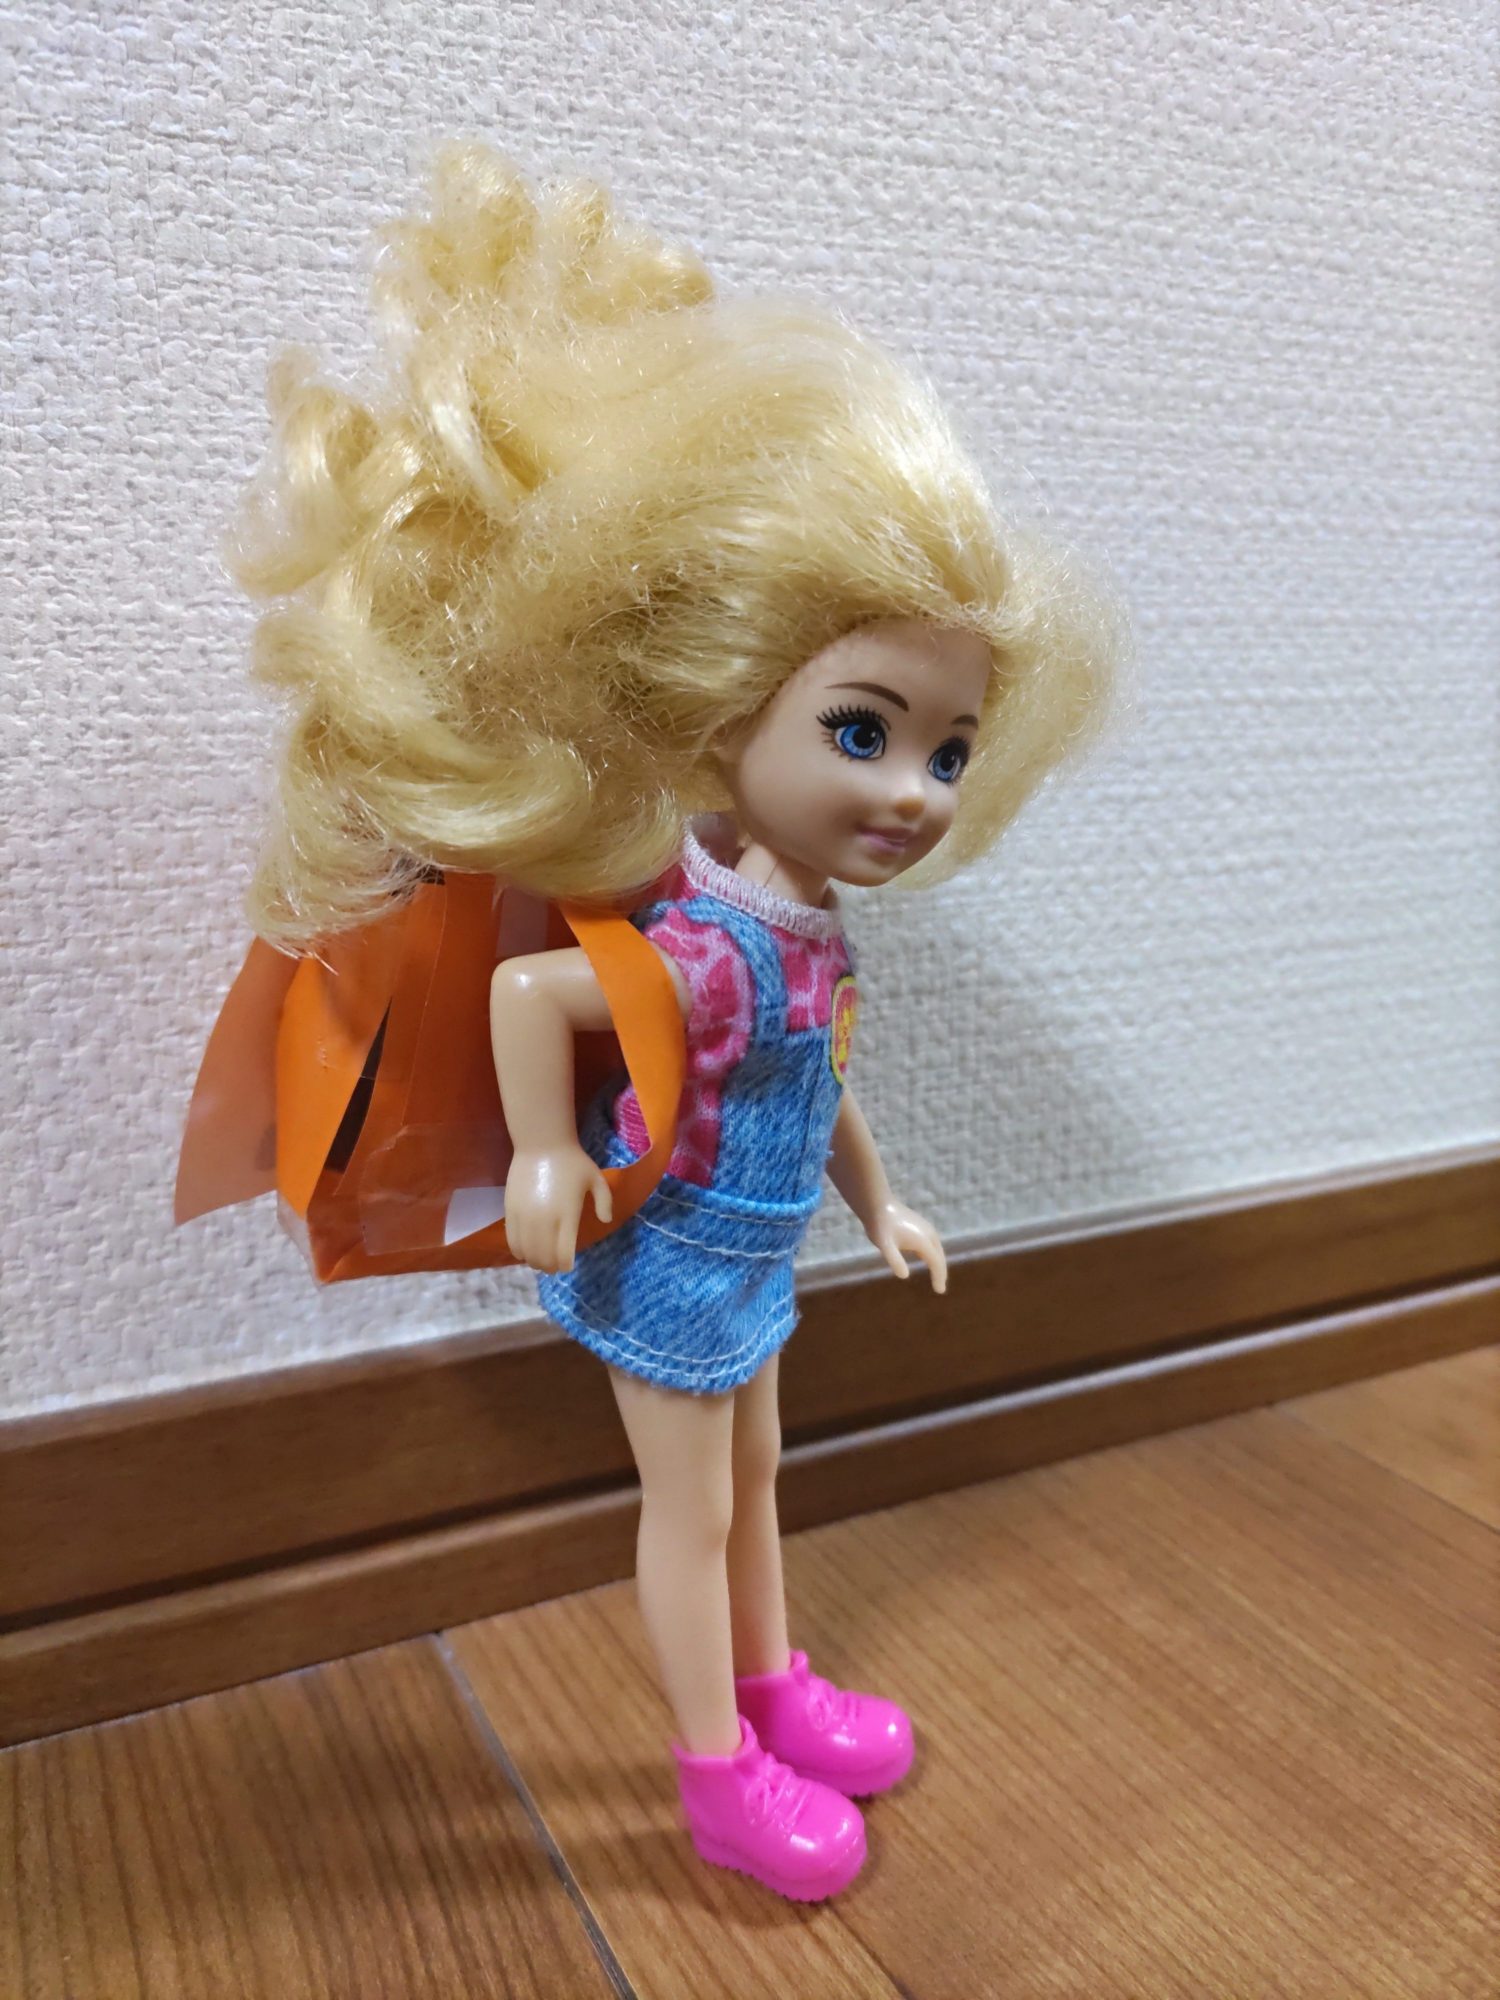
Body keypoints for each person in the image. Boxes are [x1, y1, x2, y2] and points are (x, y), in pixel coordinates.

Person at [228, 144, 1121, 1900]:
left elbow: (817, 1084)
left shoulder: (807, 941)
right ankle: (715, 1773)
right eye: (864, 731)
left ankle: (777, 1689)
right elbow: (532, 990)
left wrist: (882, 1199)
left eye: (947, 749)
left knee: (762, 1471)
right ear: (727, 717)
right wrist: (543, 1155)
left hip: (756, 1256)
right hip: (673, 1261)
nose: (917, 788)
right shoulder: (710, 948)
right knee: (693, 1505)